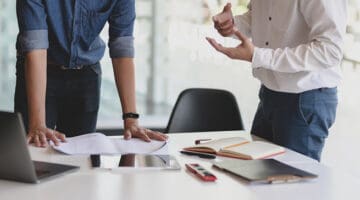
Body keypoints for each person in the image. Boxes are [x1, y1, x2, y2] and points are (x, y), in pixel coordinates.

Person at [15, 0, 168, 148]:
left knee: (81, 160)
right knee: (35, 149)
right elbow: (35, 46)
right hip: (39, 72)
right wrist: (37, 124)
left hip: (86, 77)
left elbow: (122, 47)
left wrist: (131, 120)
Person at [206, 1, 347, 161]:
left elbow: (330, 51)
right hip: (270, 92)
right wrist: (232, 25)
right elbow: (262, 18)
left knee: (292, 181)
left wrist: (258, 56)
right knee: (256, 174)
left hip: (305, 98)